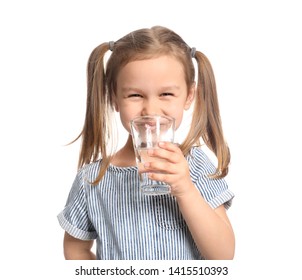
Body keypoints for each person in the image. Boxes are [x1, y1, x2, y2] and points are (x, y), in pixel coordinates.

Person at [57, 25, 235, 260]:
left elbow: (223, 255)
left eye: (166, 94)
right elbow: (76, 247)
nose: (150, 110)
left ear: (189, 96)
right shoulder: (91, 180)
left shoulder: (195, 166)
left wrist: (185, 190)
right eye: (135, 95)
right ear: (114, 99)